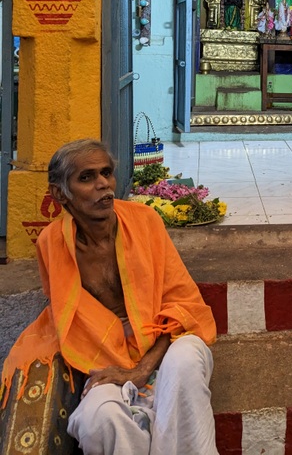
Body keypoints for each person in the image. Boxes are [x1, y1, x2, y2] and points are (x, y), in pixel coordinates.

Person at [0, 139, 218, 455]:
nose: (103, 184)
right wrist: (122, 369)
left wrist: (141, 370)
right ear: (59, 193)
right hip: (105, 358)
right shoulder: (51, 243)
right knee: (96, 419)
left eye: (106, 173)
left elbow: (183, 305)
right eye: (86, 177)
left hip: (166, 346)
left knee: (186, 360)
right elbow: (68, 313)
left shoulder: (145, 220)